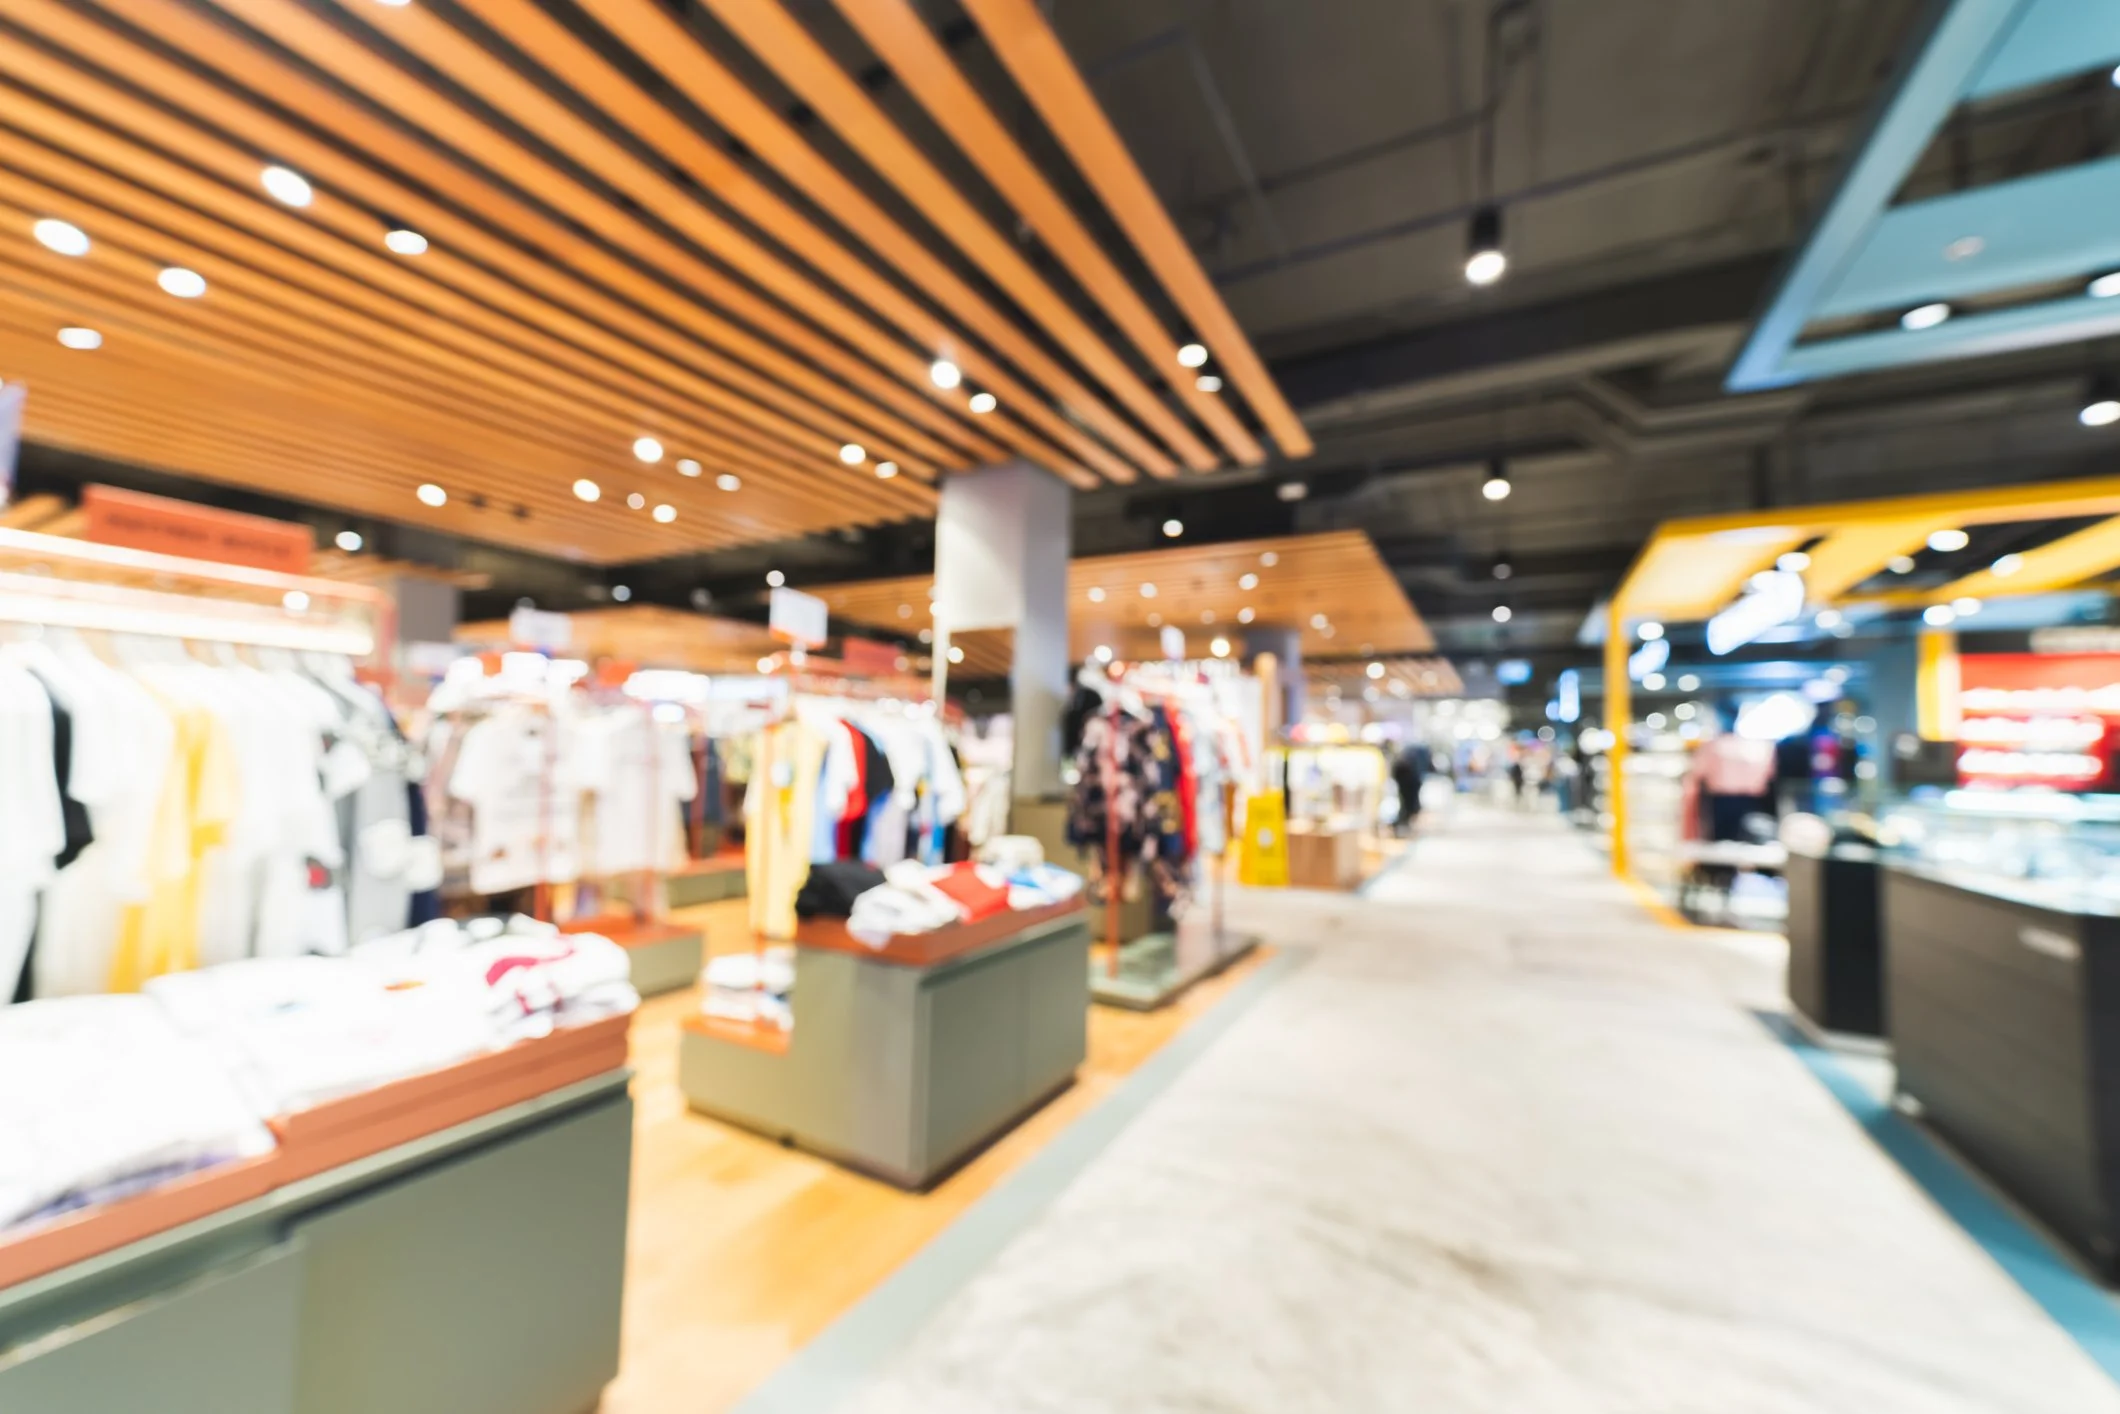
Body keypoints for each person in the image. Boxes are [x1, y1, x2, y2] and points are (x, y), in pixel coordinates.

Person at [1391, 744, 1427, 836]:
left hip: (1409, 781)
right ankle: (1403, 827)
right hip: (1409, 781)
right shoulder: (1417, 758)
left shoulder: (1409, 761)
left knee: (1407, 805)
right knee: (1409, 805)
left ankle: (1403, 826)